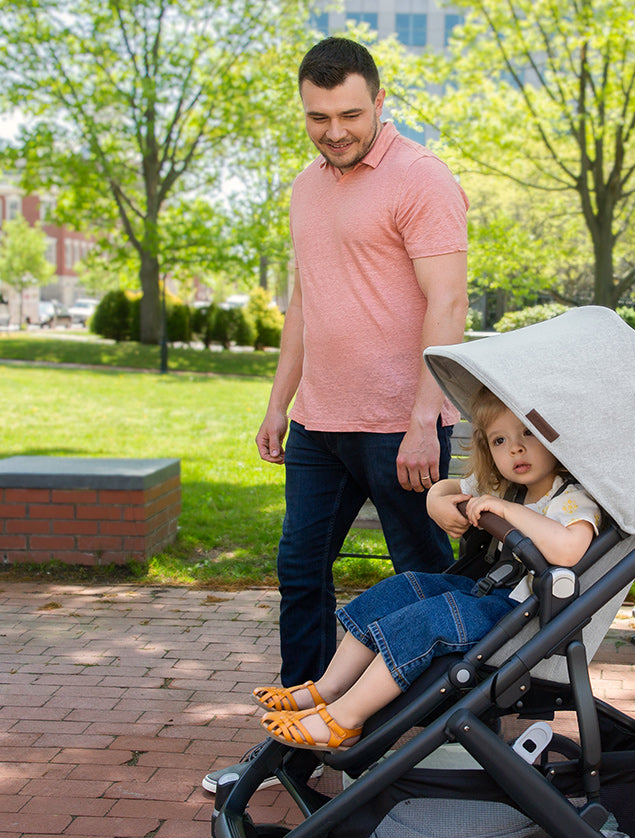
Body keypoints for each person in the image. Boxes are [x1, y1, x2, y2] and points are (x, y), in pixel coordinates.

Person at [201, 36, 468, 794]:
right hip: (321, 423)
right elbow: (303, 308)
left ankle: (439, 740)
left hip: (399, 427)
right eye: (318, 117)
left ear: (380, 102)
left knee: (426, 580)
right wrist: (278, 404)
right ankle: (298, 737)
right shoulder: (306, 186)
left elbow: (447, 303)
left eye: (350, 114)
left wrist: (426, 416)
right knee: (299, 571)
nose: (335, 130)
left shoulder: (423, 179)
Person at [251, 387, 601, 751]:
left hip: (522, 615)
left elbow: (568, 549)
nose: (515, 448)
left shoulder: (572, 497)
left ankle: (345, 719)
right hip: (488, 592)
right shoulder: (504, 485)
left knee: (427, 620)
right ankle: (329, 687)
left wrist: (509, 513)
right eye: (500, 440)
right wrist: (436, 503)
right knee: (402, 588)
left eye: (527, 433)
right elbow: (447, 487)